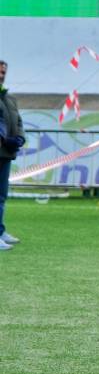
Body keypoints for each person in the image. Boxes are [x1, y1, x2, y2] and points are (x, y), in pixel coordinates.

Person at [0, 60, 27, 251]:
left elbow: (18, 121)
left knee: (1, 195)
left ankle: (0, 231)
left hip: (6, 153)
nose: (2, 75)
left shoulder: (10, 98)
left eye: (4, 72)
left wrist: (19, 138)